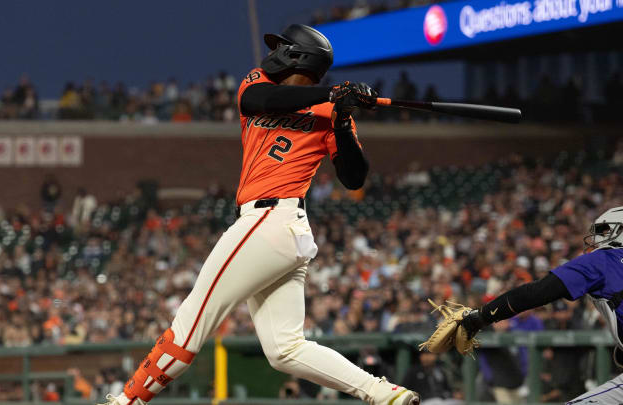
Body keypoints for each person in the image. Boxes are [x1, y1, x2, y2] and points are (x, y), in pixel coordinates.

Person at [99, 24, 419, 405]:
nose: (276, 50)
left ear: (299, 56)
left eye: (284, 45)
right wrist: (332, 94)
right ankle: (384, 393)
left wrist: (342, 120)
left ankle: (126, 401)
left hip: (272, 220)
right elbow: (259, 99)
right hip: (274, 229)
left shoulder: (333, 110)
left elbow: (354, 177)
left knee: (191, 320)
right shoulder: (260, 82)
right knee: (285, 349)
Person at [459, 206, 623, 404]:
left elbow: (536, 293)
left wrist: (482, 316)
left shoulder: (603, 260)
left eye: (604, 231)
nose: (597, 239)